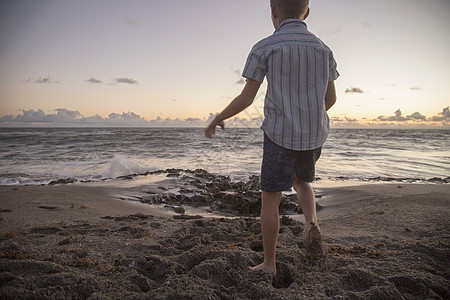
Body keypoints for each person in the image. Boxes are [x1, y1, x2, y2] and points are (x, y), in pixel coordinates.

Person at [205, 0, 339, 276]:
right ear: (307, 12)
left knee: (270, 198)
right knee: (303, 182)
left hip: (279, 134)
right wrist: (307, 115)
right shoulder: (323, 49)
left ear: (272, 11)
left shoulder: (266, 46)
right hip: (314, 135)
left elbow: (246, 98)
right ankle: (311, 225)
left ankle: (269, 263)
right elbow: (331, 98)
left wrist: (218, 118)